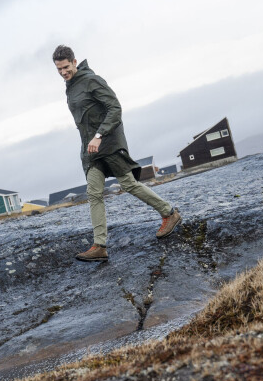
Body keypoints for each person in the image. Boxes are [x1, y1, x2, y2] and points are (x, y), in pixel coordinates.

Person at [53, 45, 182, 262]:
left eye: (66, 67)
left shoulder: (91, 80)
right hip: (90, 149)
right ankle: (99, 246)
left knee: (129, 184)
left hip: (108, 142)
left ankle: (169, 213)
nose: (63, 73)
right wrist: (89, 142)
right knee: (93, 193)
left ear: (75, 62)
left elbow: (115, 108)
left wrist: (99, 135)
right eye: (59, 70)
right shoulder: (71, 86)